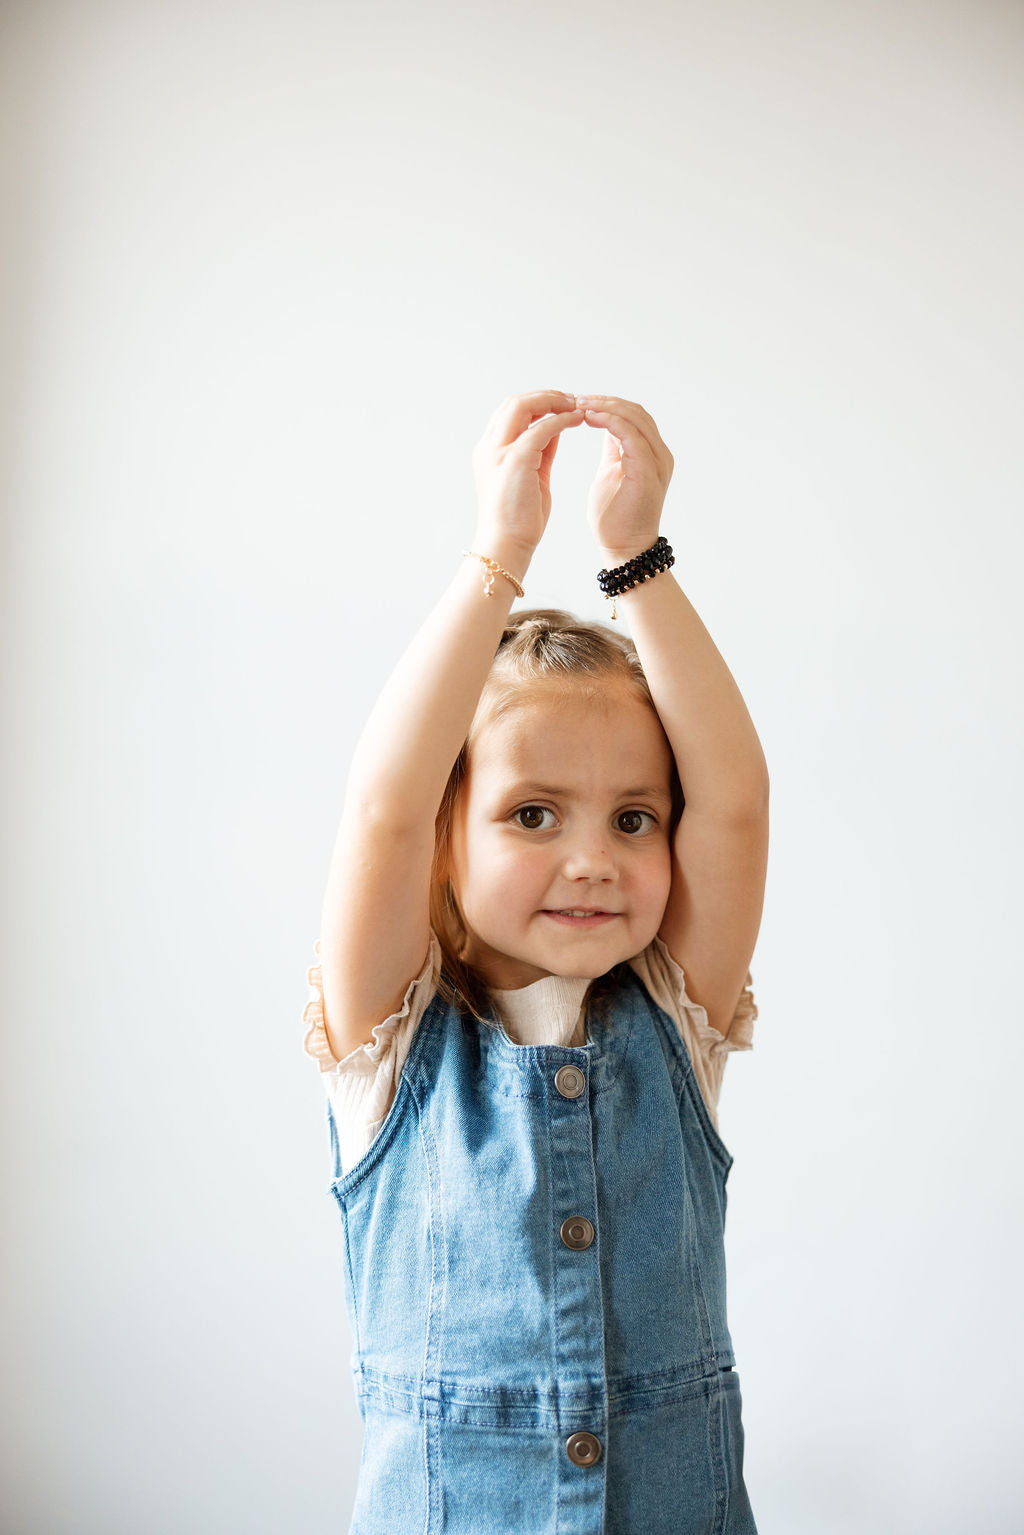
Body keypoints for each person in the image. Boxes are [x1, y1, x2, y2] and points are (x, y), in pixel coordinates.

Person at [301, 389, 770, 1533]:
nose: (591, 859)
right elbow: (382, 808)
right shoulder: (385, 1044)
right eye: (531, 813)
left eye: (632, 818)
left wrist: (635, 556)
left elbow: (735, 802)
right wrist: (498, 553)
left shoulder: (676, 1013)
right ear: (445, 841)